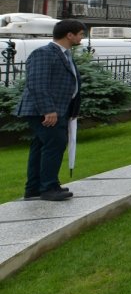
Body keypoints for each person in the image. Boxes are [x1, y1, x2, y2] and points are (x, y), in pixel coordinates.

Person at [18, 19, 85, 201]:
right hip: (44, 111)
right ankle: (49, 187)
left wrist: (72, 110)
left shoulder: (65, 54)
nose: (82, 38)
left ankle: (34, 189)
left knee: (41, 147)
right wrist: (49, 110)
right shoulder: (44, 53)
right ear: (69, 35)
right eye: (80, 34)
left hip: (59, 110)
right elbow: (37, 84)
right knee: (55, 144)